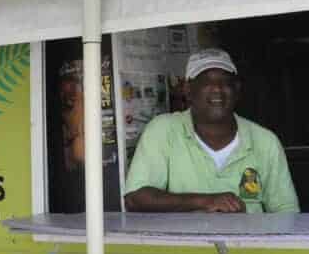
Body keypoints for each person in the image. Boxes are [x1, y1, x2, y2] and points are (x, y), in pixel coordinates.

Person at [124, 48, 299, 213]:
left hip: (248, 244)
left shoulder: (265, 141)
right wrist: (206, 201)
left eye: (225, 82)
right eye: (206, 81)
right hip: (184, 245)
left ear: (237, 90)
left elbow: (287, 213)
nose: (217, 89)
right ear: (188, 89)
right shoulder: (163, 130)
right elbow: (135, 199)